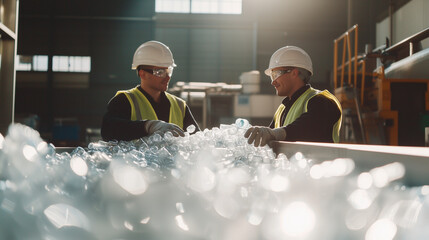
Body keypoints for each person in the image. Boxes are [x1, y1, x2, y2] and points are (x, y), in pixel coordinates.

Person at [101, 40, 200, 141]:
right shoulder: (124, 101)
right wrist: (148, 126)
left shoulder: (179, 106)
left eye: (169, 71)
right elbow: (108, 131)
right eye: (160, 72)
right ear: (142, 74)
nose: (167, 77)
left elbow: (197, 140)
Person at [244, 46, 342, 147]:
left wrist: (275, 133)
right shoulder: (282, 110)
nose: (273, 82)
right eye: (271, 77)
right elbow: (269, 136)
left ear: (294, 73)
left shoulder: (322, 101)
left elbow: (309, 127)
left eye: (276, 75)